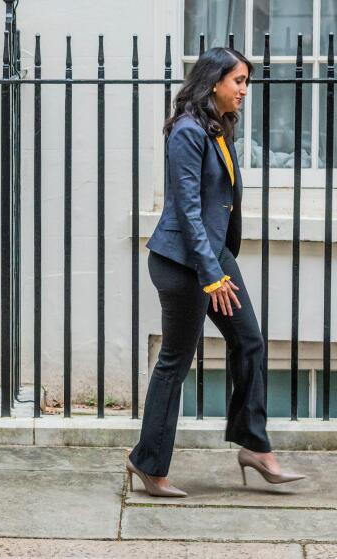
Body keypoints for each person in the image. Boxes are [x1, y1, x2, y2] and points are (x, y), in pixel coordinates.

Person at [127, 47, 305, 497]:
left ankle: (254, 445)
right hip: (183, 262)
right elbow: (186, 210)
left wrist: (217, 265)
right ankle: (147, 463)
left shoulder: (216, 128)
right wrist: (211, 274)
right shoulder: (187, 132)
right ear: (213, 83)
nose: (245, 89)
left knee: (250, 341)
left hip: (212, 256)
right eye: (238, 81)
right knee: (175, 362)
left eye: (247, 81)